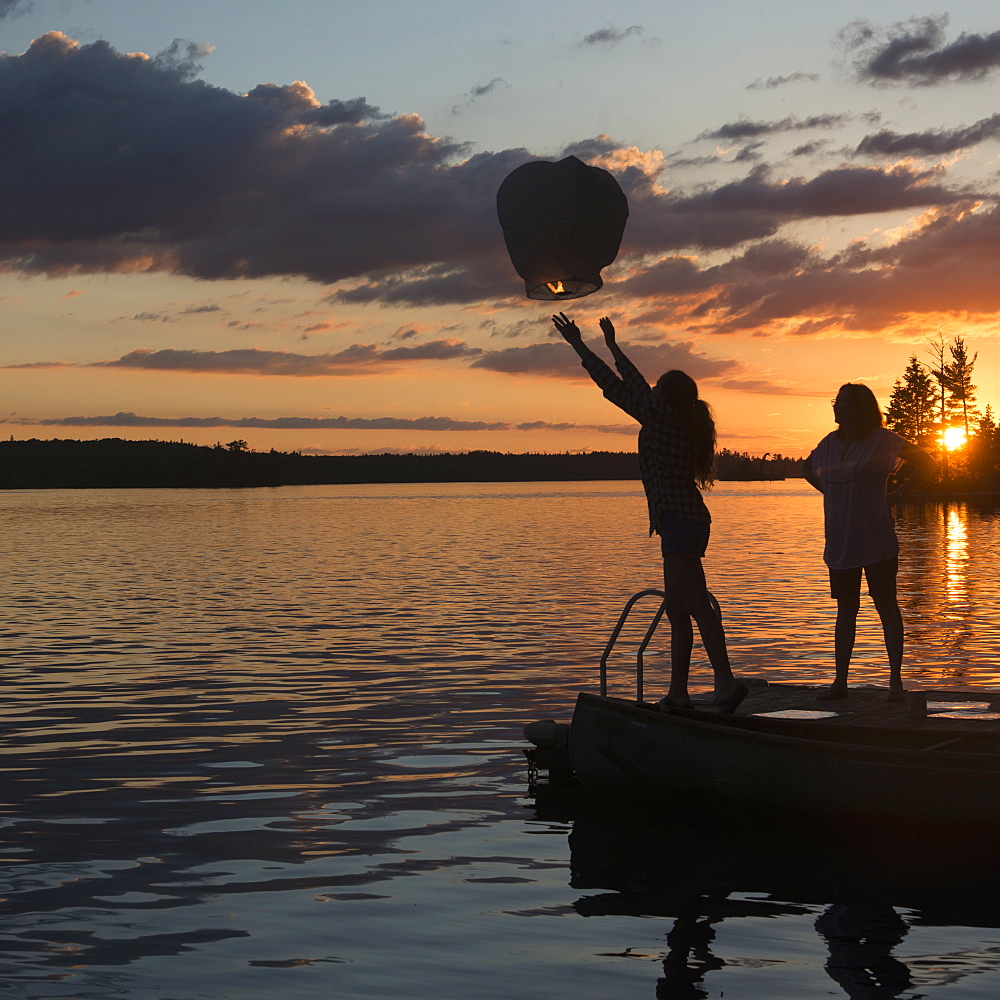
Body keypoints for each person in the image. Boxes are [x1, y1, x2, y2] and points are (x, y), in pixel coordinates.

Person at [552, 312, 746, 713]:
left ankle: (726, 683)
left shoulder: (661, 419)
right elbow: (636, 385)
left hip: (679, 521)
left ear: (667, 397)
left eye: (659, 387)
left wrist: (581, 346)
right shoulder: (673, 419)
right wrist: (612, 344)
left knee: (692, 602)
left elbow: (617, 387)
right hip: (683, 520)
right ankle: (679, 693)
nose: (651, 390)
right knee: (677, 609)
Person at [804, 383, 936, 702]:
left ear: (861, 408)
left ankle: (895, 681)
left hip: (876, 538)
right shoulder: (829, 444)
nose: (837, 406)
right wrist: (833, 492)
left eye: (844, 402)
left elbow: (928, 462)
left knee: (885, 604)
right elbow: (807, 468)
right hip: (840, 541)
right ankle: (840, 683)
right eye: (836, 401)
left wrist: (899, 495)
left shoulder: (882, 441)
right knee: (846, 609)